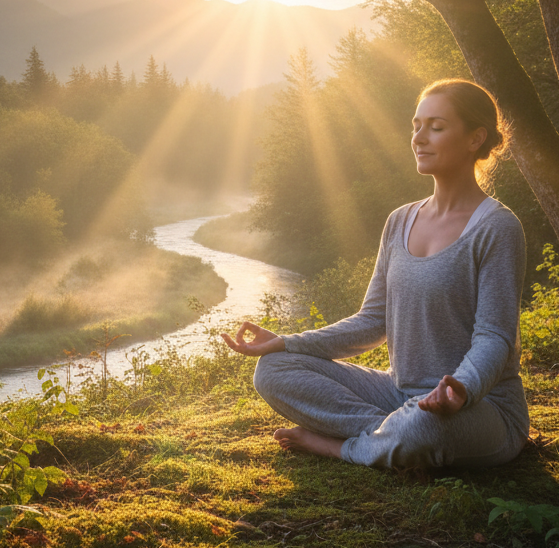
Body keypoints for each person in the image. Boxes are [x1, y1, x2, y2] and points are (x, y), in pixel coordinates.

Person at [221, 78, 529, 470]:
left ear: (475, 139)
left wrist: (461, 390)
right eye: (416, 126)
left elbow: (495, 337)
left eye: (436, 127)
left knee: (424, 428)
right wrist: (286, 343)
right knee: (273, 369)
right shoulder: (399, 221)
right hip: (399, 396)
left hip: (482, 408)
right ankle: (388, 435)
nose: (419, 137)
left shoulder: (497, 228)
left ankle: (340, 446)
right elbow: (371, 322)